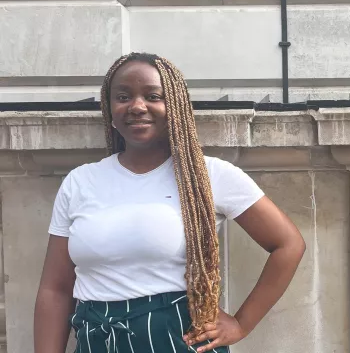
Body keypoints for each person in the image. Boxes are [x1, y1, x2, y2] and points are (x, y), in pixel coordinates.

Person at [34, 52, 306, 353]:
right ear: (109, 108)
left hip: (178, 340)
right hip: (98, 340)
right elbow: (55, 290)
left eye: (153, 96)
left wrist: (241, 324)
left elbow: (289, 244)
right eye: (123, 96)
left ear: (175, 106)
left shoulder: (208, 176)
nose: (137, 106)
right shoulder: (80, 182)